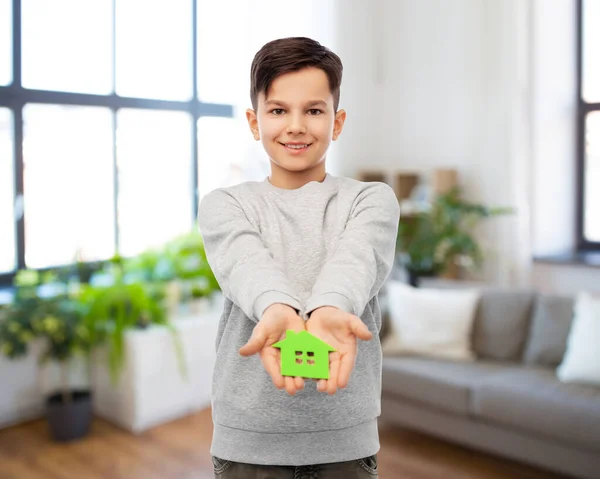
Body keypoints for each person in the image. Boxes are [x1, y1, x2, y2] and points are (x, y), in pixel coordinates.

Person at [197, 36, 400, 479]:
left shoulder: (371, 199)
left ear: (337, 121)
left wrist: (329, 308)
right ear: (254, 121)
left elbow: (356, 261)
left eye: (313, 110)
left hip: (345, 441)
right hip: (247, 443)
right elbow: (246, 263)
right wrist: (277, 308)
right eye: (277, 110)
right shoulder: (224, 204)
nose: (295, 125)